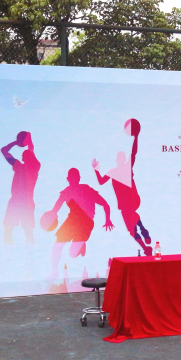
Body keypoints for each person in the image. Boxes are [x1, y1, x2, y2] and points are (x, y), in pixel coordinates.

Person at [92, 118, 153, 256]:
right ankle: (143, 232)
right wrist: (96, 170)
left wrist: (136, 138)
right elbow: (101, 181)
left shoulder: (121, 169)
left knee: (131, 229)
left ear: (121, 159)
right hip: (131, 202)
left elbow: (134, 152)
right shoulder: (118, 170)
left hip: (129, 202)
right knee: (132, 223)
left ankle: (144, 242)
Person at [44, 168, 114, 280]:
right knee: (58, 244)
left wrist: (108, 220)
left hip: (86, 222)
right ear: (68, 179)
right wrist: (51, 215)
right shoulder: (66, 192)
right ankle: (54, 271)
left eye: (75, 178)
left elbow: (105, 204)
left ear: (79, 178)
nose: (73, 180)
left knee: (72, 254)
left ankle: (81, 244)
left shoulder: (87, 190)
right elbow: (55, 208)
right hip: (72, 220)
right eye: (71, 178)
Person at [1, 131, 40, 244]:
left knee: (27, 232)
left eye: (24, 154)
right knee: (9, 230)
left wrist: (25, 141)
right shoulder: (19, 166)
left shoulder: (34, 167)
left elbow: (31, 148)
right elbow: (3, 151)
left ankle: (29, 251)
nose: (23, 155)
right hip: (18, 201)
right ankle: (9, 250)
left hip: (24, 201)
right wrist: (17, 142)